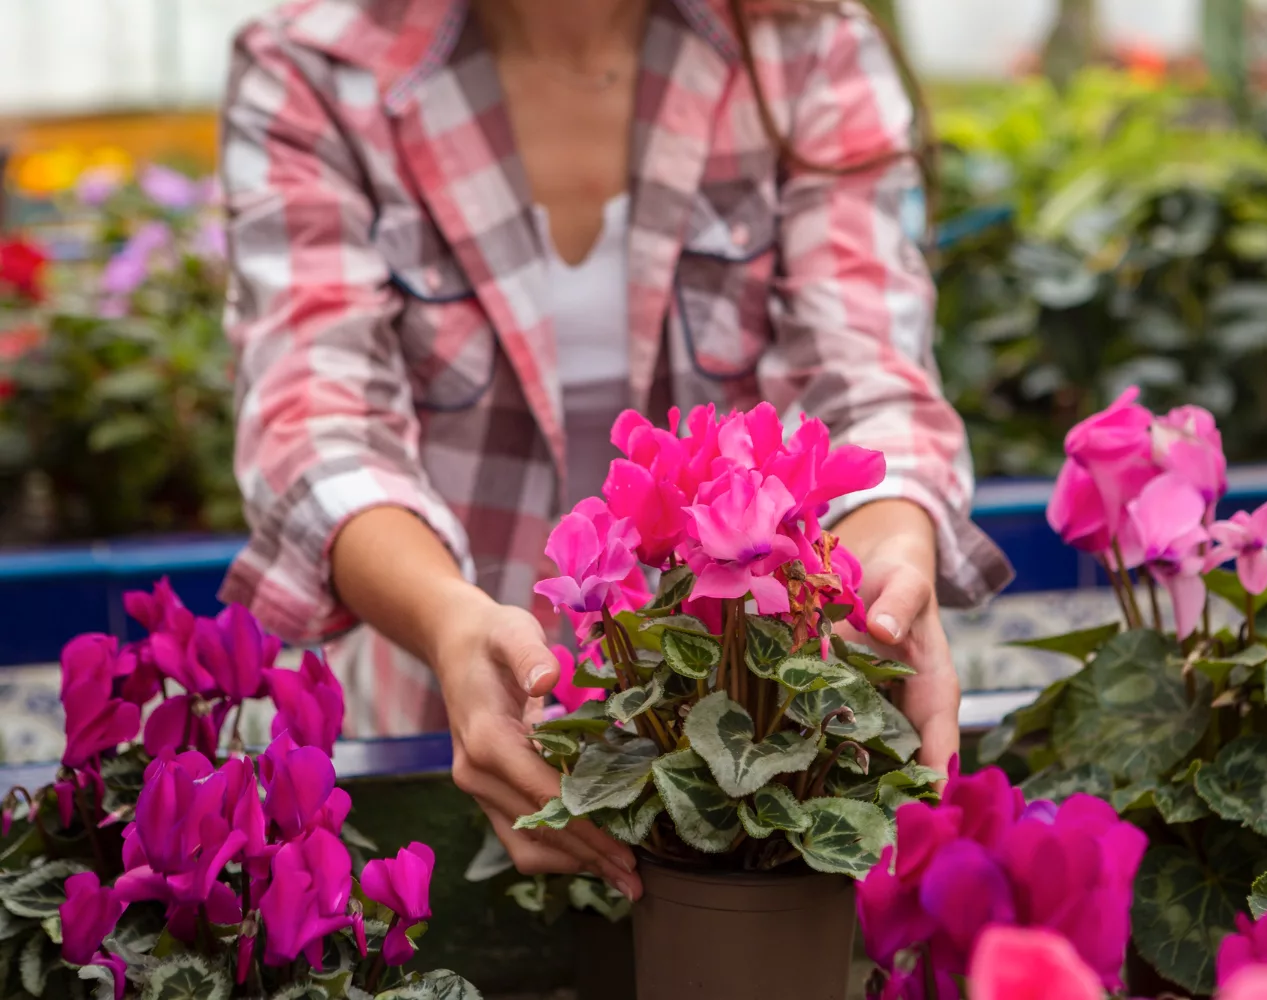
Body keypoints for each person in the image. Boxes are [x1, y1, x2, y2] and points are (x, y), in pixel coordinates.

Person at [218, 0, 1011, 901]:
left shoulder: (803, 47)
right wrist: (447, 621)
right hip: (437, 739)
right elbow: (316, 421)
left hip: (747, 758)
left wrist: (892, 556)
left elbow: (867, 379)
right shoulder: (319, 65)